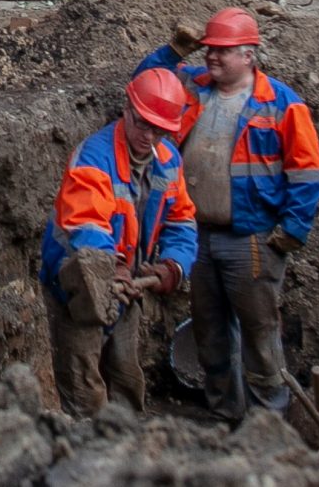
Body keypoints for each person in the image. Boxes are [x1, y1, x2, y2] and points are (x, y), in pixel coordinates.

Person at [134, 6, 319, 421]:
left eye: (224, 51)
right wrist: (170, 53)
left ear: (249, 55)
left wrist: (292, 230)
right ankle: (226, 413)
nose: (213, 58)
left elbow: (308, 175)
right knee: (210, 330)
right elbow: (143, 87)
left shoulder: (281, 105)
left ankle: (267, 420)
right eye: (209, 50)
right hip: (196, 233)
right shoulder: (194, 88)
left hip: (251, 238)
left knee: (258, 331)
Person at [38, 68, 198, 417]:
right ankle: (86, 454)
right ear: (127, 108)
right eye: (142, 123)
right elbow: (88, 225)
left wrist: (174, 264)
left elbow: (182, 220)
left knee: (126, 378)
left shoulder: (168, 161)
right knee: (85, 390)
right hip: (78, 285)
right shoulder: (94, 158)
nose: (148, 135)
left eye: (158, 129)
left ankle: (128, 453)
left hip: (124, 288)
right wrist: (114, 268)